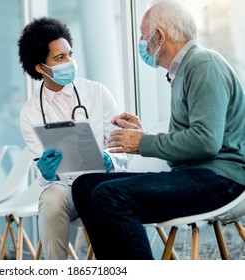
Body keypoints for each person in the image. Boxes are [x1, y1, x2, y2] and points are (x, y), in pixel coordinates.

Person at [71, 0, 245, 260]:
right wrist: (142, 134)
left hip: (222, 180)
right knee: (85, 186)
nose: (141, 41)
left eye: (143, 34)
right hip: (196, 174)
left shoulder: (203, 64)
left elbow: (206, 142)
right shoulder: (183, 72)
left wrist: (143, 143)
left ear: (160, 35)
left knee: (110, 195)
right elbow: (187, 145)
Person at [18, 17, 128, 260]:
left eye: (70, 54)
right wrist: (45, 172)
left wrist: (110, 159)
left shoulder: (97, 93)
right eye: (60, 58)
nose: (69, 62)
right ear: (40, 68)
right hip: (67, 189)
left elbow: (121, 145)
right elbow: (44, 170)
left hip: (104, 182)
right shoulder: (30, 112)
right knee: (51, 199)